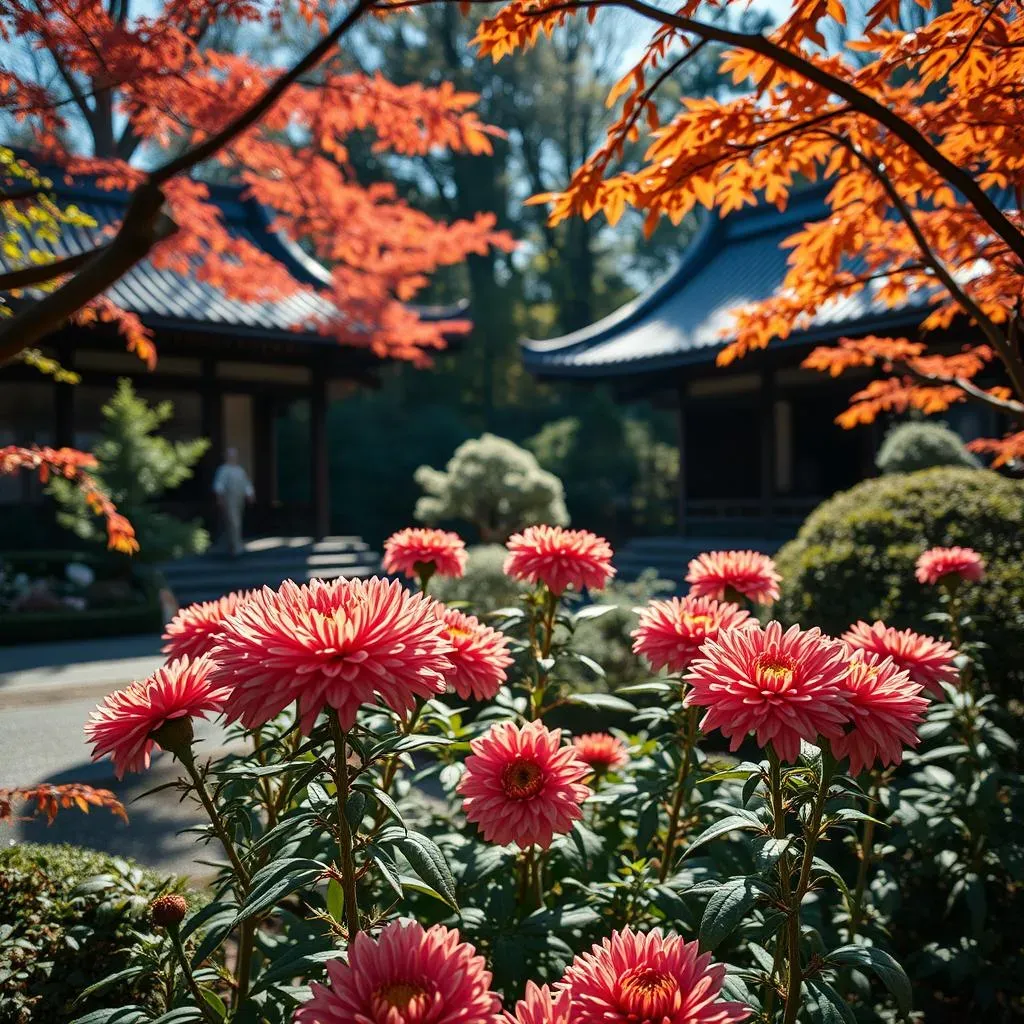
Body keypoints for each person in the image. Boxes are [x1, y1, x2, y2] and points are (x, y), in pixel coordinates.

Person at [213, 448, 254, 557]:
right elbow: (219, 486)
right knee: (233, 521)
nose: (232, 458)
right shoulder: (223, 470)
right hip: (229, 499)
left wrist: (250, 494)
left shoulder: (239, 470)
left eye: (234, 456)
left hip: (239, 499)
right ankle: (235, 547)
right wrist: (220, 499)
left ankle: (236, 544)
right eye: (230, 456)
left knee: (237, 522)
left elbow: (246, 483)